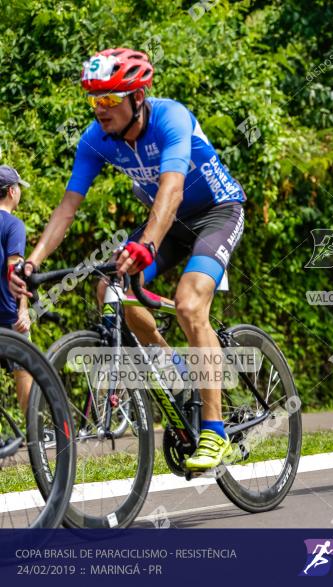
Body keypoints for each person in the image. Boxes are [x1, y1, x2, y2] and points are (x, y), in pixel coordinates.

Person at [9, 48, 246, 471]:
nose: (100, 109)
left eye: (109, 99)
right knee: (111, 289)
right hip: (168, 224)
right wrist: (31, 262)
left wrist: (147, 245)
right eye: (94, 100)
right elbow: (67, 208)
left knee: (191, 304)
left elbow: (172, 189)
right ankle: (173, 368)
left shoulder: (171, 118)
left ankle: (215, 429)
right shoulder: (96, 139)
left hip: (217, 213)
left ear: (137, 96)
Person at [0, 165, 34, 414]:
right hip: (7, 313)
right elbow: (16, 271)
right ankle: (36, 433)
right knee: (25, 369)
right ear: (12, 191)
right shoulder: (13, 225)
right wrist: (23, 310)